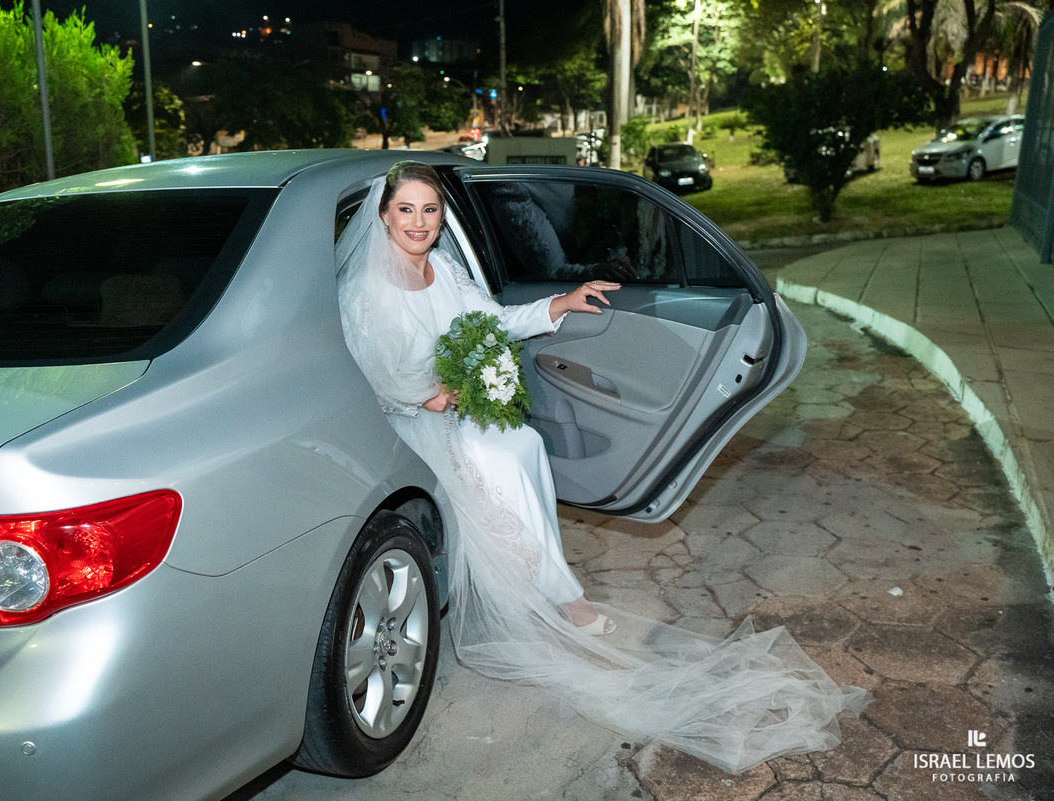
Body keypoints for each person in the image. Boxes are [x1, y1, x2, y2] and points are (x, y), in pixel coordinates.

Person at [337, 161, 867, 774]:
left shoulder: (444, 270)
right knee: (497, 458)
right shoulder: (367, 292)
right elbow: (365, 369)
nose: (419, 222)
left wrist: (561, 303)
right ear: (384, 216)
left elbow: (493, 322)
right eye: (406, 210)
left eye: (430, 210)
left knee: (524, 444)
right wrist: (424, 397)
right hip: (409, 419)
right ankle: (565, 598)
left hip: (454, 406)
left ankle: (545, 579)